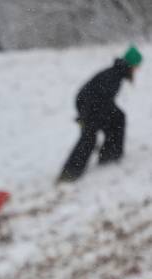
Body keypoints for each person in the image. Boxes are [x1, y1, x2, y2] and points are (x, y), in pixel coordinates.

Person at [58, 45, 142, 183]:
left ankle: (110, 154)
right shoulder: (114, 76)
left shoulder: (116, 73)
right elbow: (95, 99)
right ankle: (69, 173)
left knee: (118, 117)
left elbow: (104, 99)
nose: (137, 70)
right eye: (137, 66)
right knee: (89, 137)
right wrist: (86, 119)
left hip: (92, 103)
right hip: (88, 105)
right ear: (131, 65)